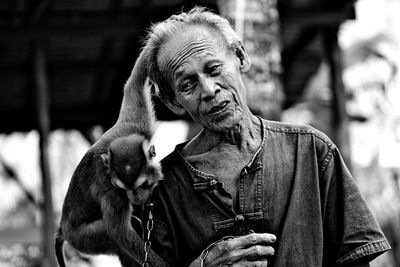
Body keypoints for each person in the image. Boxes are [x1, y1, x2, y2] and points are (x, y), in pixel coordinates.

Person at [139, 7, 390, 266]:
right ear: (172, 101)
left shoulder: (311, 151)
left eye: (214, 69)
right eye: (188, 84)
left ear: (240, 57)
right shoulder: (161, 190)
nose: (209, 89)